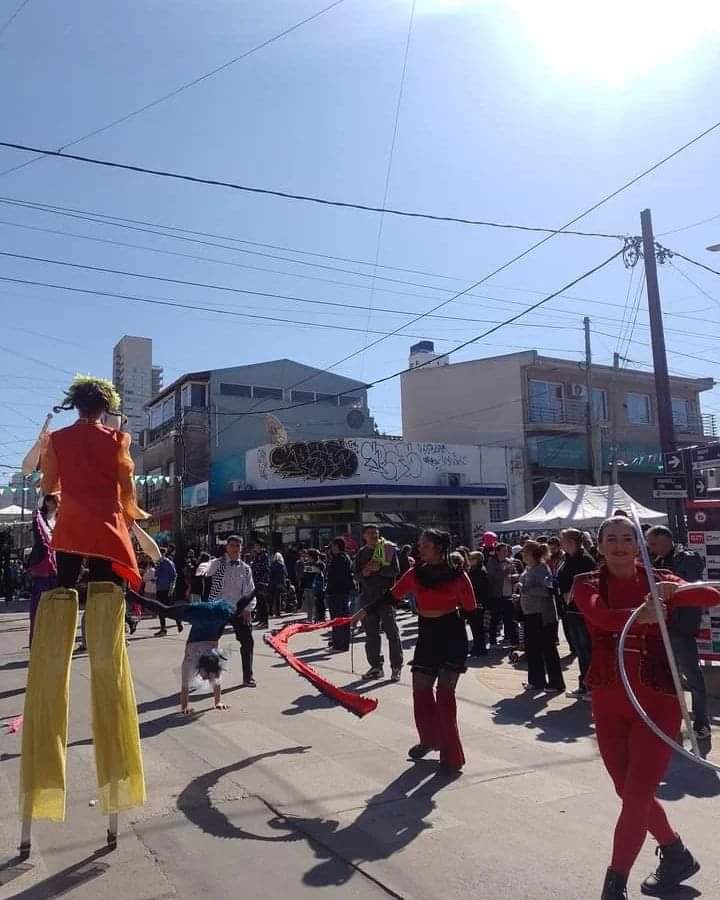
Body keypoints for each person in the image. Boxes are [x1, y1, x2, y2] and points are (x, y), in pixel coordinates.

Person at [21, 375, 147, 838]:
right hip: (109, 534)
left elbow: (49, 485)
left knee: (62, 592)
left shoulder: (58, 439)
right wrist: (132, 516)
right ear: (105, 406)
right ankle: (104, 633)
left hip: (72, 528)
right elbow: (126, 489)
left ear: (75, 405)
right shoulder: (117, 438)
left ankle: (58, 629)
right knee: (107, 601)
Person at [573, 516, 720, 899]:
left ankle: (614, 884)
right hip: (609, 699)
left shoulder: (659, 579)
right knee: (625, 789)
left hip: (657, 701)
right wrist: (641, 614)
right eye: (611, 539)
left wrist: (675, 590)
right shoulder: (586, 583)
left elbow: (711, 596)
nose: (620, 545)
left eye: (628, 538)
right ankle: (675, 852)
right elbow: (601, 617)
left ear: (639, 544)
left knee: (637, 794)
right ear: (599, 546)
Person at [355, 528, 476, 774]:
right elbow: (391, 596)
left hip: (451, 634)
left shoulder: (457, 575)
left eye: (425, 545)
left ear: (440, 548)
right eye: (420, 544)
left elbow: (470, 608)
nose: (420, 548)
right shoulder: (415, 573)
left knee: (444, 695)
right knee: (420, 690)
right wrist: (364, 611)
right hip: (427, 634)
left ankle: (452, 756)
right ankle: (429, 739)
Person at [646, 525, 710, 740]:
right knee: (667, 678)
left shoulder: (686, 557)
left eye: (653, 543)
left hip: (681, 628)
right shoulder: (656, 561)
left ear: (665, 539)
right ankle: (670, 721)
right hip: (662, 627)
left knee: (692, 677)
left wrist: (665, 583)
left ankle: (702, 723)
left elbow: (687, 585)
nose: (651, 548)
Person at [129, 590, 235, 714]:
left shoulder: (212, 659)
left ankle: (136, 597)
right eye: (205, 677)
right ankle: (135, 597)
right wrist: (187, 707)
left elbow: (210, 682)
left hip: (213, 613)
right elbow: (186, 686)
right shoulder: (191, 662)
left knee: (165, 610)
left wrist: (216, 702)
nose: (202, 678)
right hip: (202, 615)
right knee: (165, 610)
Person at [206, 536, 257, 687]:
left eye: (238, 546)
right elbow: (204, 574)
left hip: (238, 609)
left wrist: (248, 609)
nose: (235, 549)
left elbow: (250, 590)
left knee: (248, 642)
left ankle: (248, 677)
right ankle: (205, 674)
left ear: (241, 548)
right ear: (227, 547)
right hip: (219, 608)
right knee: (208, 642)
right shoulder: (217, 564)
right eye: (232, 545)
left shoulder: (245, 568)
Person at [354, 525, 402, 682]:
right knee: (371, 635)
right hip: (368, 598)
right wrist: (364, 573)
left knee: (392, 633)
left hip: (386, 598)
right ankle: (376, 667)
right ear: (364, 536)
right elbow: (356, 575)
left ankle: (396, 667)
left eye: (376, 533)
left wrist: (379, 569)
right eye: (370, 533)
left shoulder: (387, 548)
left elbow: (395, 571)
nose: (374, 535)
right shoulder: (361, 553)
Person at [517, 540, 565, 692]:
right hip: (531, 613)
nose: (522, 554)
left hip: (542, 615)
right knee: (532, 649)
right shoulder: (529, 569)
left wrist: (525, 589)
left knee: (548, 649)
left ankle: (556, 683)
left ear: (532, 553)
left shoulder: (542, 569)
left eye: (525, 551)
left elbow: (547, 591)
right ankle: (536, 681)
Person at [558, 528, 596, 700]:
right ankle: (584, 684)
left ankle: (591, 686)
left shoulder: (584, 560)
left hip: (581, 610)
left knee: (586, 649)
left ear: (572, 542)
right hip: (570, 610)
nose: (561, 544)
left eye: (563, 540)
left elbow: (589, 584)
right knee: (580, 650)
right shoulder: (567, 559)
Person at [27, 493, 59, 646]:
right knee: (38, 605)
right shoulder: (39, 518)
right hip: (43, 566)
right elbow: (41, 540)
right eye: (49, 500)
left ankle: (50, 642)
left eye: (54, 501)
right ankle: (36, 643)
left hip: (56, 567)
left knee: (54, 606)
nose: (51, 503)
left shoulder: (60, 519)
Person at [486, 543, 519, 647]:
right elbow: (493, 577)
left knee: (509, 618)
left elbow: (515, 573)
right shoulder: (492, 563)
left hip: (508, 593)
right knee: (495, 618)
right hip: (496, 595)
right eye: (504, 551)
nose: (506, 553)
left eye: (507, 551)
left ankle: (509, 638)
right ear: (497, 552)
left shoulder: (509, 562)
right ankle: (492, 640)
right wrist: (506, 571)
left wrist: (515, 576)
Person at [326, 538, 355, 651]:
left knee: (338, 618)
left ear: (337, 546)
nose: (331, 548)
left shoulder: (341, 558)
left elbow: (338, 576)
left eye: (332, 546)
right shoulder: (342, 557)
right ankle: (338, 641)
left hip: (338, 592)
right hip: (339, 591)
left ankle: (340, 643)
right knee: (339, 618)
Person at [467, 550, 489, 656]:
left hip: (478, 602)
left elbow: (481, 589)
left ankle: (480, 648)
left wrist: (480, 602)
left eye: (471, 559)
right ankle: (477, 646)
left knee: (478, 627)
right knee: (475, 626)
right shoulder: (474, 570)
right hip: (474, 601)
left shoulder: (479, 571)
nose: (469, 560)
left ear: (477, 560)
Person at [154, 548, 179, 636]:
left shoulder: (168, 562)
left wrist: (172, 587)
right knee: (160, 609)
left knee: (167, 609)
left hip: (166, 589)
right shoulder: (159, 563)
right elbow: (156, 574)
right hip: (160, 588)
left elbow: (174, 575)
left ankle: (178, 621)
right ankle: (163, 628)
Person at [301, 549, 326, 623]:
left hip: (315, 586)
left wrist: (312, 568)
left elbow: (319, 570)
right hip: (307, 585)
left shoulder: (319, 563)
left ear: (312, 556)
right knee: (308, 603)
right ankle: (309, 618)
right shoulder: (306, 564)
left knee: (315, 603)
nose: (307, 557)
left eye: (308, 555)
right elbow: (305, 572)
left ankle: (316, 618)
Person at [251, 541, 271, 628]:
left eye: (256, 546)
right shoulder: (257, 555)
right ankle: (261, 620)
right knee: (259, 602)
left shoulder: (264, 556)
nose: (255, 547)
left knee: (262, 601)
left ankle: (265, 621)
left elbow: (266, 569)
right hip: (256, 580)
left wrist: (263, 580)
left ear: (260, 546)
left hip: (261, 581)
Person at [268, 551, 288, 618]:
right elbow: (285, 574)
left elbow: (270, 574)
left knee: (271, 598)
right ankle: (278, 612)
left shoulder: (272, 564)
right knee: (278, 598)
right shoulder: (281, 565)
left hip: (272, 583)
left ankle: (270, 612)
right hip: (279, 583)